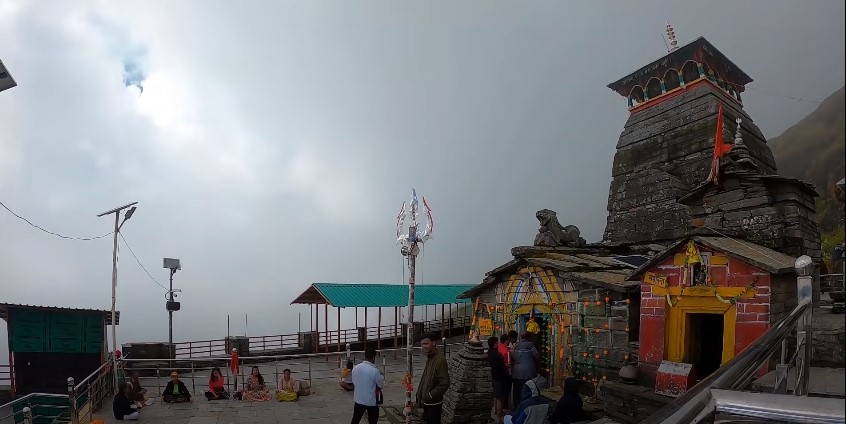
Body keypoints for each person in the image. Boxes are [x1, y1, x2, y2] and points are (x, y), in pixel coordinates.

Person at [416, 333, 450, 424]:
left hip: (434, 404)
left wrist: (430, 395)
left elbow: (444, 383)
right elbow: (425, 378)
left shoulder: (439, 359)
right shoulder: (430, 358)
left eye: (426, 344)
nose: (424, 346)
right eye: (422, 344)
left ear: (433, 343)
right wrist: (419, 393)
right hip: (427, 403)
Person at [350, 347, 385, 424]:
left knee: (355, 420)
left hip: (358, 399)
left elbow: (354, 382)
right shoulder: (374, 371)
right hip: (371, 402)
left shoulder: (355, 368)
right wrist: (381, 376)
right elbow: (381, 385)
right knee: (372, 421)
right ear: (373, 357)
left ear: (364, 356)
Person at [510, 332, 538, 409]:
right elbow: (537, 356)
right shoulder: (531, 345)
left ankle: (516, 406)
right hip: (527, 372)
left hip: (516, 372)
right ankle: (524, 407)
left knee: (516, 390)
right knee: (525, 390)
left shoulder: (517, 346)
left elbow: (513, 357)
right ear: (528, 338)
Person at [487, 337, 509, 424]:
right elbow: (502, 368)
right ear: (495, 344)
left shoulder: (487, 354)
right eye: (497, 343)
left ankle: (494, 413)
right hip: (499, 378)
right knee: (500, 398)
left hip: (490, 378)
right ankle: (499, 418)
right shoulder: (498, 355)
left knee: (493, 397)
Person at [497, 333, 512, 409]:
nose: (509, 341)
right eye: (509, 340)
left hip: (498, 373)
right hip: (506, 374)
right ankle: (505, 406)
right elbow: (508, 364)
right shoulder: (507, 351)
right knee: (506, 391)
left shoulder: (498, 348)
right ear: (506, 341)